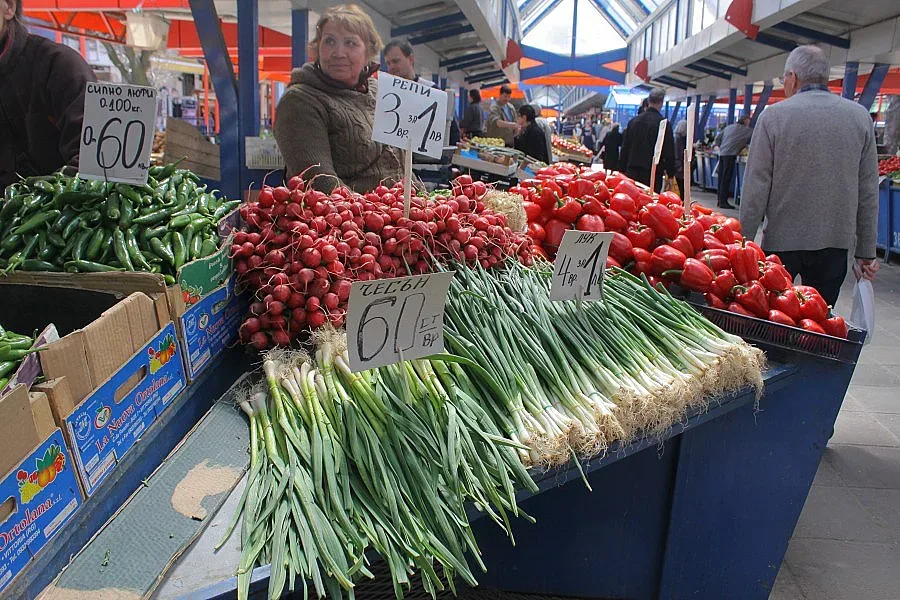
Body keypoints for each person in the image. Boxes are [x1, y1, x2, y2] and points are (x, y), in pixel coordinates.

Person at [740, 45, 879, 306]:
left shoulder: (773, 117)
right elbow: (868, 190)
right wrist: (866, 252)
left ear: (792, 77)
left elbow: (756, 188)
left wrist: (743, 244)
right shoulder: (859, 117)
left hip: (782, 244)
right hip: (835, 244)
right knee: (821, 324)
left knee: (777, 319)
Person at [274, 5, 402, 193]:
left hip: (397, 214)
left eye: (350, 43)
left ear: (368, 52)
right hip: (345, 219)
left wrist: (422, 201)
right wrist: (379, 215)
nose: (338, 53)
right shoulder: (300, 101)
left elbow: (399, 163)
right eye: (329, 41)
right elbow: (320, 183)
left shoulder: (381, 90)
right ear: (317, 48)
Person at [0, 0, 96, 193]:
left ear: (8, 7)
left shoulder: (61, 66)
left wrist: (31, 206)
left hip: (63, 214)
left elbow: (93, 160)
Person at [619, 88, 676, 190]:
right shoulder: (663, 124)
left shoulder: (633, 122)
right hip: (653, 174)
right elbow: (669, 151)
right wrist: (670, 174)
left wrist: (621, 170)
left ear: (648, 101)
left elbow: (625, 147)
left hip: (631, 171)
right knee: (650, 203)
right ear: (661, 103)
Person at [715, 115, 753, 209]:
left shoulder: (729, 127)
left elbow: (717, 138)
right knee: (726, 178)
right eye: (748, 121)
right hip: (730, 155)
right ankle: (723, 202)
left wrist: (721, 147)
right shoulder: (746, 130)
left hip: (722, 154)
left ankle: (720, 201)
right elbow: (756, 136)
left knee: (721, 178)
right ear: (745, 121)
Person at [673, 119, 689, 199]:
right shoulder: (677, 139)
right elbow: (677, 153)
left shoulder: (676, 137)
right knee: (680, 186)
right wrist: (679, 166)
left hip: (677, 165)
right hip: (678, 166)